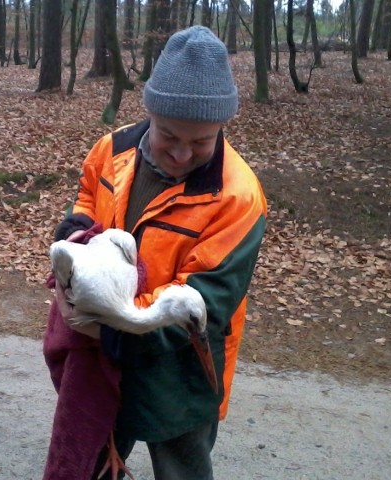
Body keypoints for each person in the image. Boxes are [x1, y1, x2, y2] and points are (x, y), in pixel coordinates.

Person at [51, 26, 267, 480]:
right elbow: (89, 195)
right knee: (93, 457)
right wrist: (76, 228)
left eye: (202, 141)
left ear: (222, 126)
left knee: (181, 468)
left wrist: (109, 324)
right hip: (104, 357)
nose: (183, 153)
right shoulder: (113, 149)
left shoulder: (238, 197)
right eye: (169, 135)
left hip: (181, 371)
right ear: (150, 113)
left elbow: (205, 297)